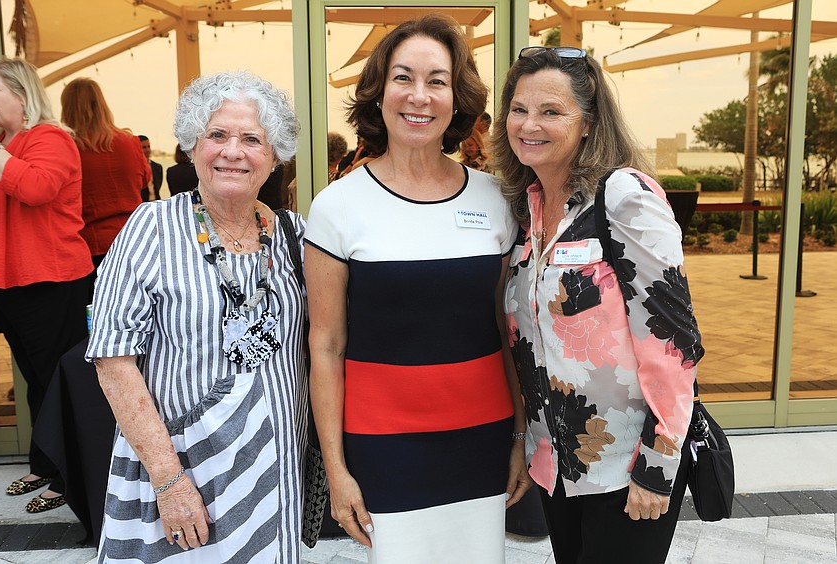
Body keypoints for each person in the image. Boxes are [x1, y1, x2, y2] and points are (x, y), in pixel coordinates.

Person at [305, 14, 531, 563]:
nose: (419, 96)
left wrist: (521, 434)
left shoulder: (495, 199)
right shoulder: (338, 206)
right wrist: (336, 469)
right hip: (383, 443)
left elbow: (505, 329)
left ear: (458, 98)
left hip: (481, 434)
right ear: (379, 91)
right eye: (404, 77)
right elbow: (326, 345)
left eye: (437, 80)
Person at [85, 70, 306, 562]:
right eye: (218, 135)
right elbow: (113, 359)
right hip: (181, 470)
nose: (233, 151)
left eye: (252, 138)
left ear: (274, 156)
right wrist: (169, 482)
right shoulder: (152, 227)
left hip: (273, 467)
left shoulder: (294, 234)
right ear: (191, 147)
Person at [493, 46, 703, 563]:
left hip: (626, 463)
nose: (529, 124)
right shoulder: (528, 208)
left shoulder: (624, 197)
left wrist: (657, 466)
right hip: (558, 461)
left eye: (550, 111)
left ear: (588, 123)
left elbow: (674, 343)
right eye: (518, 109)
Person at [0, 57, 93, 512]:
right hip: (10, 280)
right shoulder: (4, 144)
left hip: (51, 279)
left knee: (59, 381)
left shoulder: (51, 139)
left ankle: (72, 478)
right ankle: (46, 464)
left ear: (21, 94)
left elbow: (35, 189)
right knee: (34, 381)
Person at [61, 78, 149, 268]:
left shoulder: (68, 147)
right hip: (136, 238)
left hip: (92, 244)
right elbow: (144, 180)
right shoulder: (130, 141)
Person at [138, 134, 163, 201]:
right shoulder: (135, 169)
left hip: (156, 202)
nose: (148, 150)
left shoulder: (157, 167)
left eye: (149, 147)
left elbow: (158, 186)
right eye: (144, 147)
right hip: (141, 204)